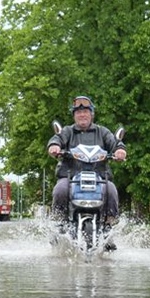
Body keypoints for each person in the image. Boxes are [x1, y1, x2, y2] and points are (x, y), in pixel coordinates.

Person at [47, 96, 126, 249]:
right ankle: (60, 223)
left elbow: (115, 143)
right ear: (74, 115)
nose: (82, 115)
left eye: (85, 112)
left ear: (92, 114)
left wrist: (120, 150)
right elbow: (56, 139)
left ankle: (108, 228)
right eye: (78, 112)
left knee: (111, 190)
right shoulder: (68, 131)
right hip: (70, 178)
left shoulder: (102, 132)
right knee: (60, 190)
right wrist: (54, 147)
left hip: (100, 178)